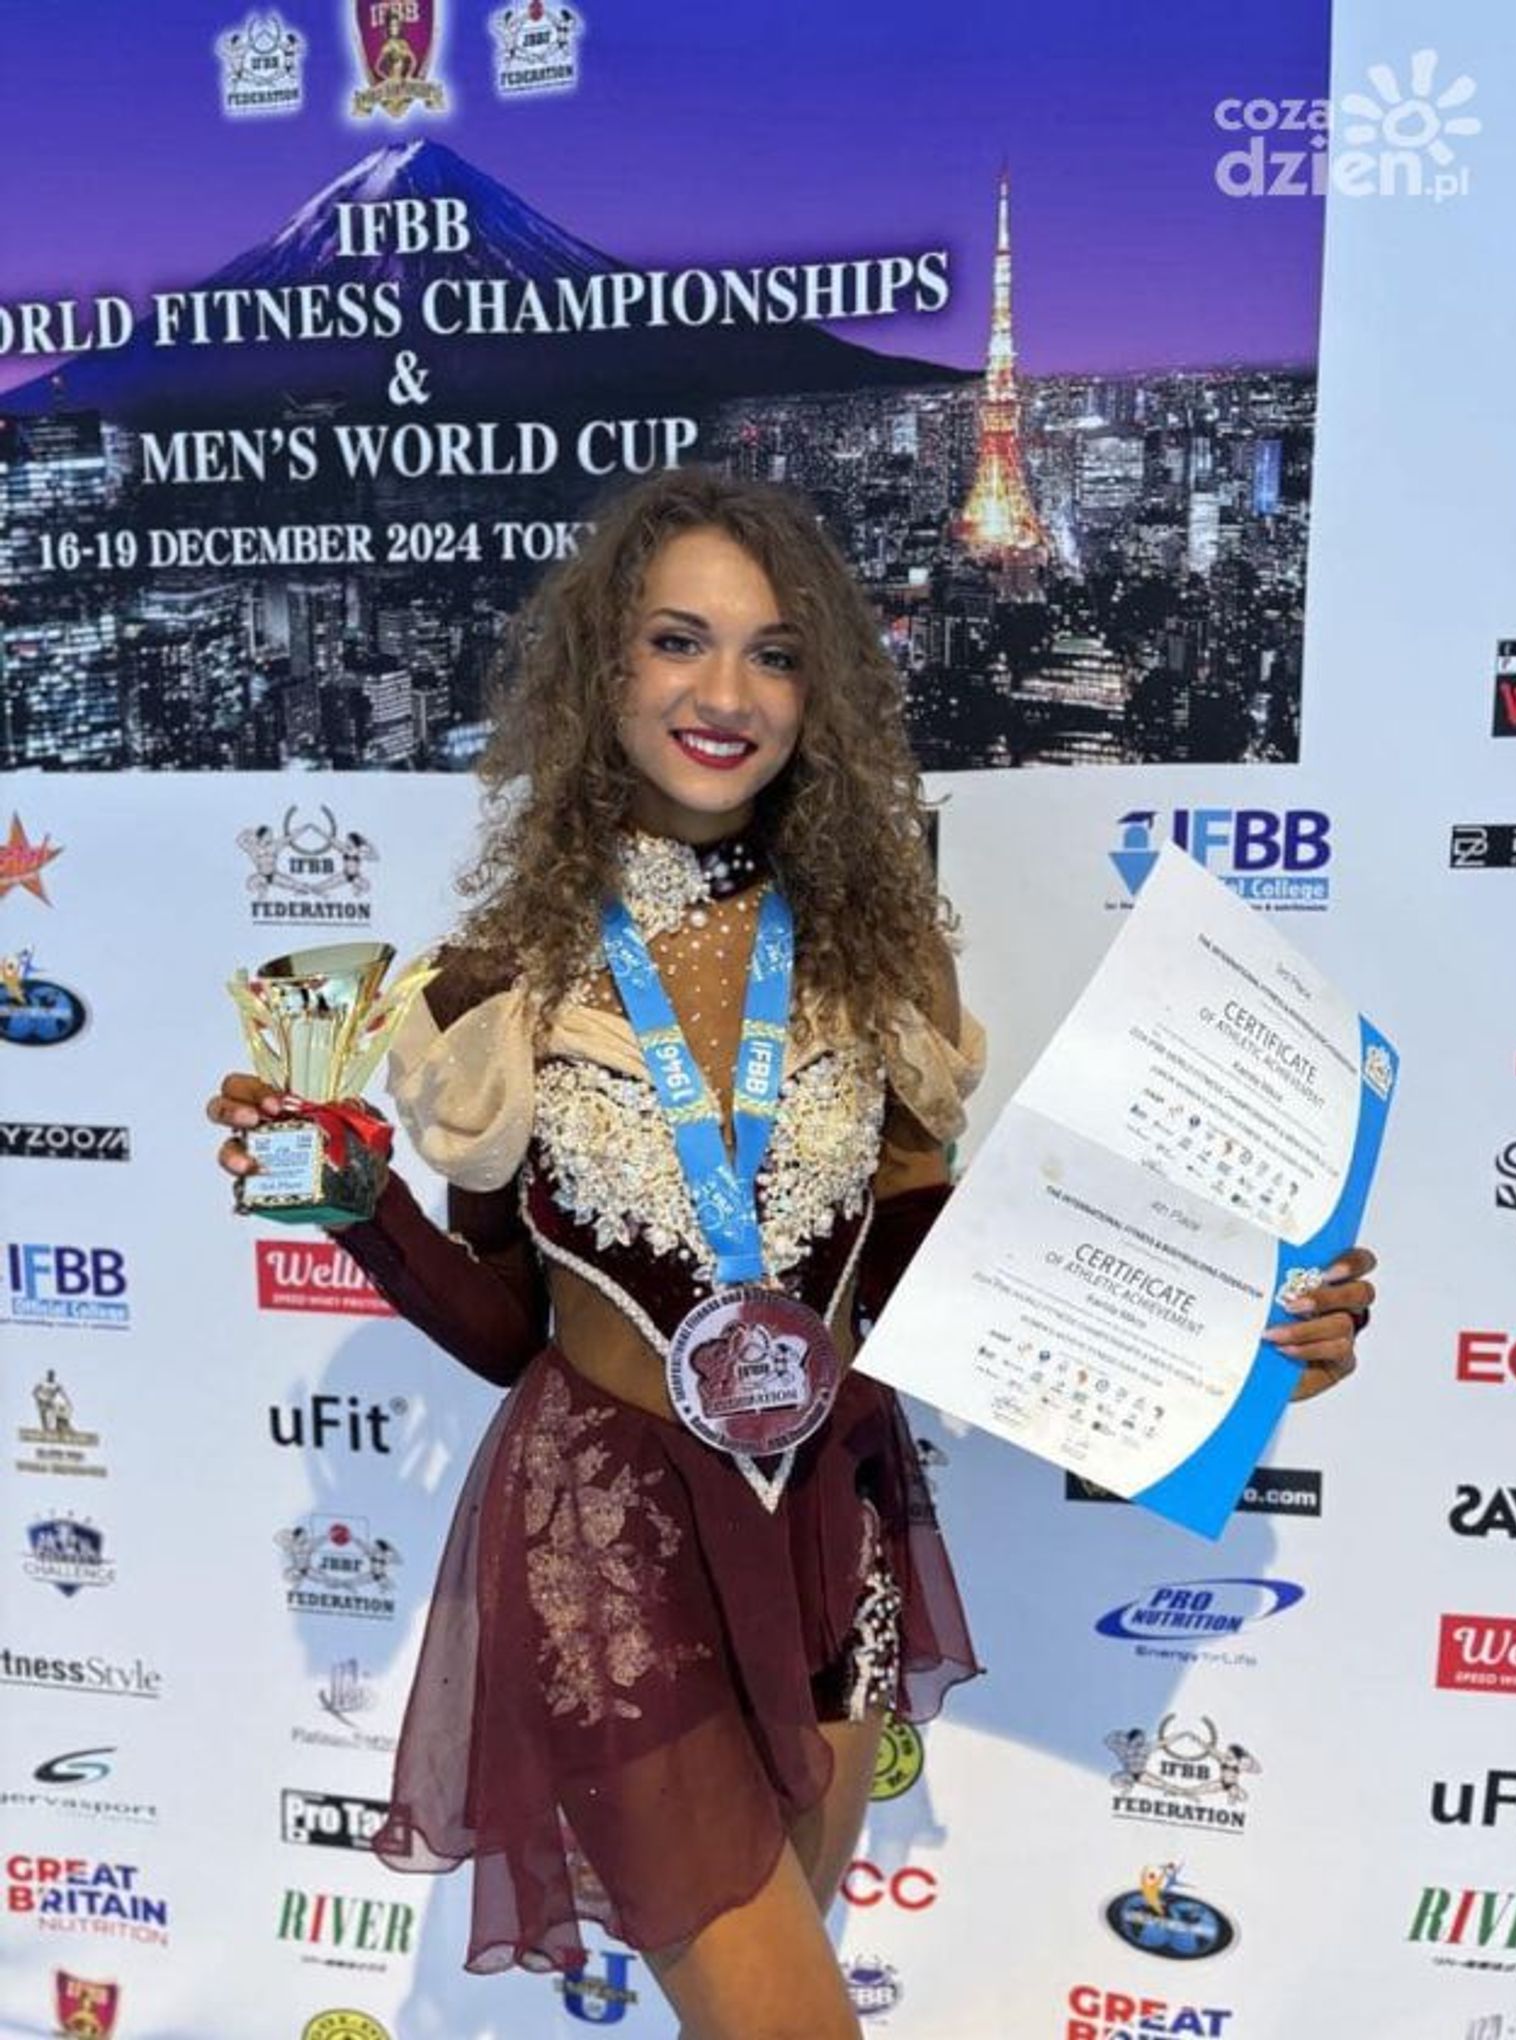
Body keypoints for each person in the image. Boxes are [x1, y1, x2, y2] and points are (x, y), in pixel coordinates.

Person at [209, 469, 1377, 2040]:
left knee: (785, 1981)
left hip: (833, 1519)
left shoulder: (875, 968)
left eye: (772, 654)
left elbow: (926, 1279)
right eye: (677, 641)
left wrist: (1233, 1336)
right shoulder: (489, 990)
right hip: (605, 1533)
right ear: (601, 669)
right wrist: (361, 1205)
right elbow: (503, 1331)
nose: (726, 694)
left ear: (817, 692)